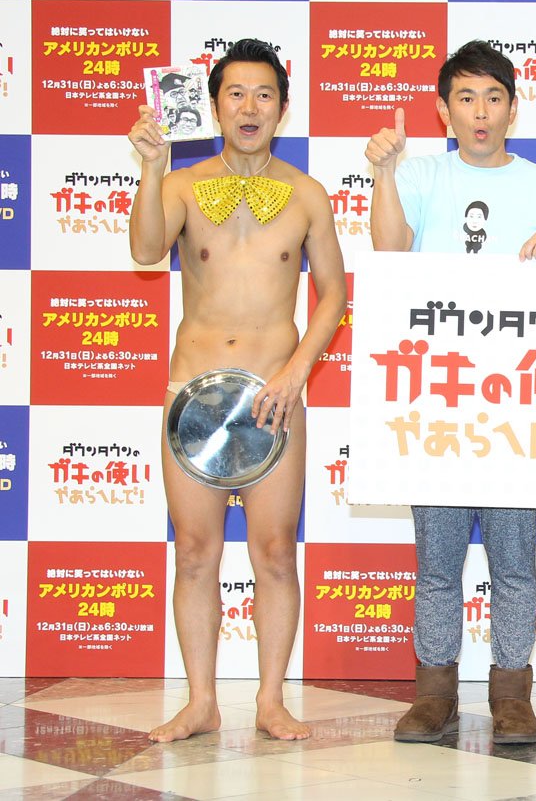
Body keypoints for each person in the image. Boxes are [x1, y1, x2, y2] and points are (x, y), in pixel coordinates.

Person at [365, 39, 536, 746]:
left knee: (514, 561)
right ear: (444, 110)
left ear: (513, 108)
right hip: (438, 399)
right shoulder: (421, 174)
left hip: (519, 406)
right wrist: (383, 174)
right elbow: (388, 254)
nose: (481, 111)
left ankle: (512, 694)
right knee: (436, 561)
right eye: (466, 98)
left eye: (494, 97)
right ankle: (433, 692)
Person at [127, 38, 348, 742]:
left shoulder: (307, 193)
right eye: (236, 93)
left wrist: (296, 372)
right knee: (194, 552)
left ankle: (271, 699)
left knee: (275, 552)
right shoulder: (182, 183)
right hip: (192, 394)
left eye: (264, 94)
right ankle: (201, 701)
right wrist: (152, 167)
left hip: (273, 398)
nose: (250, 107)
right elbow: (144, 251)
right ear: (215, 105)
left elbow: (335, 294)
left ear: (283, 107)